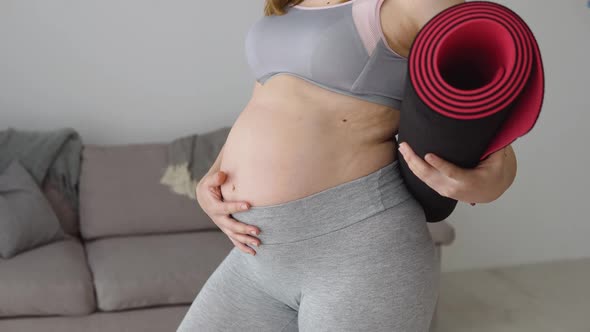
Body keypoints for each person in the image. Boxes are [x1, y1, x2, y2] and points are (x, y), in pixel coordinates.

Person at [177, 0, 517, 331]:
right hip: (257, 257)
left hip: (359, 252)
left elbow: (486, 108)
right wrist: (214, 174)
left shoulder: (408, 5)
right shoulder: (288, 6)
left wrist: (491, 181)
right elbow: (266, 103)